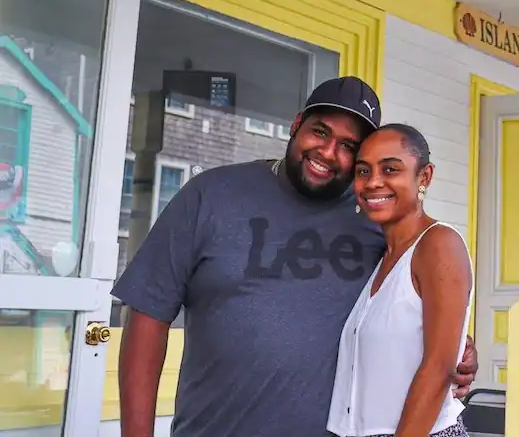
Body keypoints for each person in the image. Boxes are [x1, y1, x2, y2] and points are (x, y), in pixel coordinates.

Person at [112, 77, 479, 437]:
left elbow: (409, 305)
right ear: (296, 124)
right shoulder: (211, 195)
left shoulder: (375, 218)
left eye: (348, 146)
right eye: (320, 132)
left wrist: (457, 347)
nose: (328, 152)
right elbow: (148, 315)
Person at [328, 124, 474, 437]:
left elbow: (438, 368)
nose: (373, 182)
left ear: (424, 177)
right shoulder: (383, 258)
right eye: (363, 171)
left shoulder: (439, 244)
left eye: (390, 169)